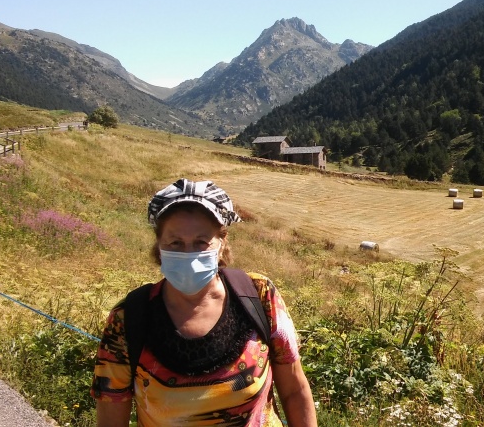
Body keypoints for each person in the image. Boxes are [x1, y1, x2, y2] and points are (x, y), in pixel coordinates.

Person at [91, 178, 317, 426]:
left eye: (201, 242)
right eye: (175, 243)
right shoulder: (128, 318)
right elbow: (111, 416)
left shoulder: (259, 295)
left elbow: (294, 390)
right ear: (159, 246)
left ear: (221, 244)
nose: (189, 254)